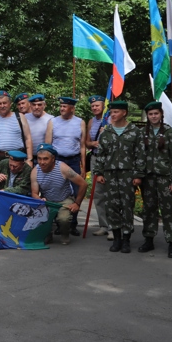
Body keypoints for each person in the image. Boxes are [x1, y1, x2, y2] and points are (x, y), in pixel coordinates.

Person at [92, 101, 143, 253]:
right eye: (111, 112)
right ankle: (117, 238)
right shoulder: (106, 133)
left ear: (124, 113)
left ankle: (126, 239)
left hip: (128, 175)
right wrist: (99, 173)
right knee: (111, 207)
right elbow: (100, 154)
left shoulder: (134, 131)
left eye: (116, 112)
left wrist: (138, 175)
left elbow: (140, 155)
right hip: (110, 175)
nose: (112, 115)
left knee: (127, 206)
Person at [135, 102, 172, 257]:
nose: (153, 116)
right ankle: (149, 239)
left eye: (156, 113)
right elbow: (139, 156)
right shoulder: (143, 133)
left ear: (161, 114)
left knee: (170, 211)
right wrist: (138, 175)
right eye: (150, 114)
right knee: (149, 210)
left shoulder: (169, 133)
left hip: (165, 178)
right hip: (148, 178)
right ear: (147, 116)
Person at [45, 96, 86, 235]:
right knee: (57, 191)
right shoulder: (53, 122)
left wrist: (83, 166)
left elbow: (82, 146)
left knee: (75, 192)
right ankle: (59, 224)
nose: (62, 108)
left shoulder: (80, 122)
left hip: (74, 161)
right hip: (57, 161)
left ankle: (72, 224)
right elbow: (48, 145)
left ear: (72, 109)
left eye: (65, 106)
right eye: (61, 106)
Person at [31, 143, 87, 245]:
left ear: (53, 158)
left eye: (45, 159)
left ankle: (65, 234)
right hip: (47, 201)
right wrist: (39, 198)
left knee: (63, 219)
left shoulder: (63, 168)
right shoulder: (35, 171)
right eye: (39, 159)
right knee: (36, 215)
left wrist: (77, 203)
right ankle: (47, 234)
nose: (42, 162)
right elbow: (34, 193)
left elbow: (83, 184)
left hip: (64, 199)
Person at [0, 150, 32, 240]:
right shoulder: (3, 163)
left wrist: (4, 191)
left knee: (16, 234)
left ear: (22, 164)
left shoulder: (28, 170)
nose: (12, 168)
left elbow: (23, 189)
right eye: (11, 165)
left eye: (15, 166)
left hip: (18, 204)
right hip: (2, 202)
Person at [0, 91, 32, 175]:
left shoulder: (20, 117)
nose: (2, 106)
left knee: (17, 185)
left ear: (10, 104)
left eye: (4, 103)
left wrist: (29, 159)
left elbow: (28, 138)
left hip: (18, 159)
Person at [85, 95, 111, 238]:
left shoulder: (110, 120)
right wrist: (92, 144)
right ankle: (104, 225)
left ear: (104, 106)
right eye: (93, 106)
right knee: (98, 193)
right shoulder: (91, 122)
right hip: (96, 158)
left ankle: (114, 227)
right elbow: (87, 142)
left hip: (109, 159)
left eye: (97, 105)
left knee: (111, 193)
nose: (95, 108)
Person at [25, 94, 53, 163]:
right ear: (30, 105)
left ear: (44, 105)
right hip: (27, 158)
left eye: (39, 105)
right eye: (34, 105)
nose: (36, 107)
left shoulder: (51, 119)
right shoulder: (25, 118)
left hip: (44, 159)